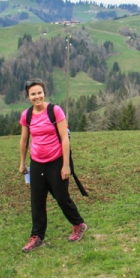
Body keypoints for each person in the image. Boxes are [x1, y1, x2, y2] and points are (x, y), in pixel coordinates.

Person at [19, 78, 87, 252]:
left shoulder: (54, 111)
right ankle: (37, 237)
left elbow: (65, 139)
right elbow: (24, 140)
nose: (37, 96)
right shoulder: (26, 115)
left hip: (56, 161)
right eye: (33, 94)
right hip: (36, 163)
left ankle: (78, 224)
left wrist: (66, 166)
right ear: (28, 96)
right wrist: (22, 163)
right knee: (37, 201)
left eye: (39, 93)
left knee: (61, 197)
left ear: (44, 93)